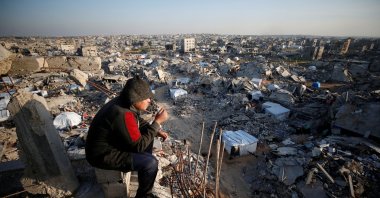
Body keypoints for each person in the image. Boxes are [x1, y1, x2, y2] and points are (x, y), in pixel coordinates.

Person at [85, 76, 169, 198]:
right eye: (146, 98)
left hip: (108, 145)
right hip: (102, 155)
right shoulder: (123, 114)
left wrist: (155, 130)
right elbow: (139, 146)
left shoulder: (123, 102)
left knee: (148, 137)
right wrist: (157, 123)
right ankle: (144, 195)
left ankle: (142, 168)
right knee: (151, 163)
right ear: (136, 99)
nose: (149, 101)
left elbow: (137, 120)